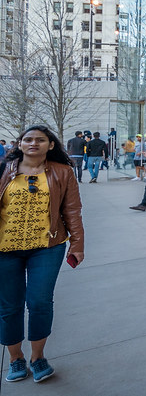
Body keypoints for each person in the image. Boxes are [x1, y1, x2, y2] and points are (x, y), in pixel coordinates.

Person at [0, 124, 84, 384]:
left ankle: (37, 357)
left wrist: (77, 244)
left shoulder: (63, 172)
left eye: (40, 140)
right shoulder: (3, 170)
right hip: (5, 249)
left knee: (39, 303)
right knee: (9, 306)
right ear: (20, 144)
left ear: (51, 145)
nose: (33, 143)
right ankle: (15, 358)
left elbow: (72, 210)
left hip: (47, 248)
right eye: (28, 139)